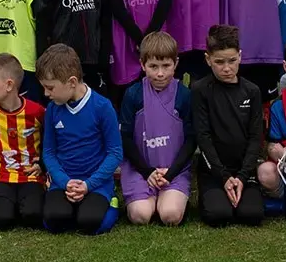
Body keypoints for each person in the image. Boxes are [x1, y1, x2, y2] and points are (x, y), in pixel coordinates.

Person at [39, 42, 124, 235]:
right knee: (53, 221)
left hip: (96, 183)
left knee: (90, 223)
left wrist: (88, 185)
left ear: (71, 82)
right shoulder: (53, 109)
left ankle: (111, 202)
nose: (46, 93)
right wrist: (64, 181)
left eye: (50, 88)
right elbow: (49, 152)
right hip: (64, 183)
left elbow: (115, 153)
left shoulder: (103, 107)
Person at [192, 24, 267, 227]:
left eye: (232, 61)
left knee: (251, 215)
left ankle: (243, 189)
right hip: (214, 172)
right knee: (219, 216)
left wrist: (242, 177)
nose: (226, 68)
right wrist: (223, 177)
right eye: (219, 62)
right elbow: (203, 137)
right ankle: (211, 195)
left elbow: (255, 137)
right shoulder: (200, 90)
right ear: (208, 59)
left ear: (240, 56)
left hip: (244, 171)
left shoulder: (252, 91)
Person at [118, 32, 193, 226]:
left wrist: (171, 172)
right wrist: (147, 172)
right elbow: (125, 138)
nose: (160, 73)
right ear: (143, 65)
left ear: (175, 64)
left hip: (173, 171)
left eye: (166, 66)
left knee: (170, 215)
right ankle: (146, 197)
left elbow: (192, 139)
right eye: (153, 67)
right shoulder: (133, 94)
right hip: (141, 169)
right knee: (140, 216)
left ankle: (166, 197)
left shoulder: (184, 95)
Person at [0, 52, 46, 229]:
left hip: (31, 176)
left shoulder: (37, 112)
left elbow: (50, 144)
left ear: (9, 85)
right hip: (0, 175)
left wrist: (43, 165)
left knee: (33, 216)